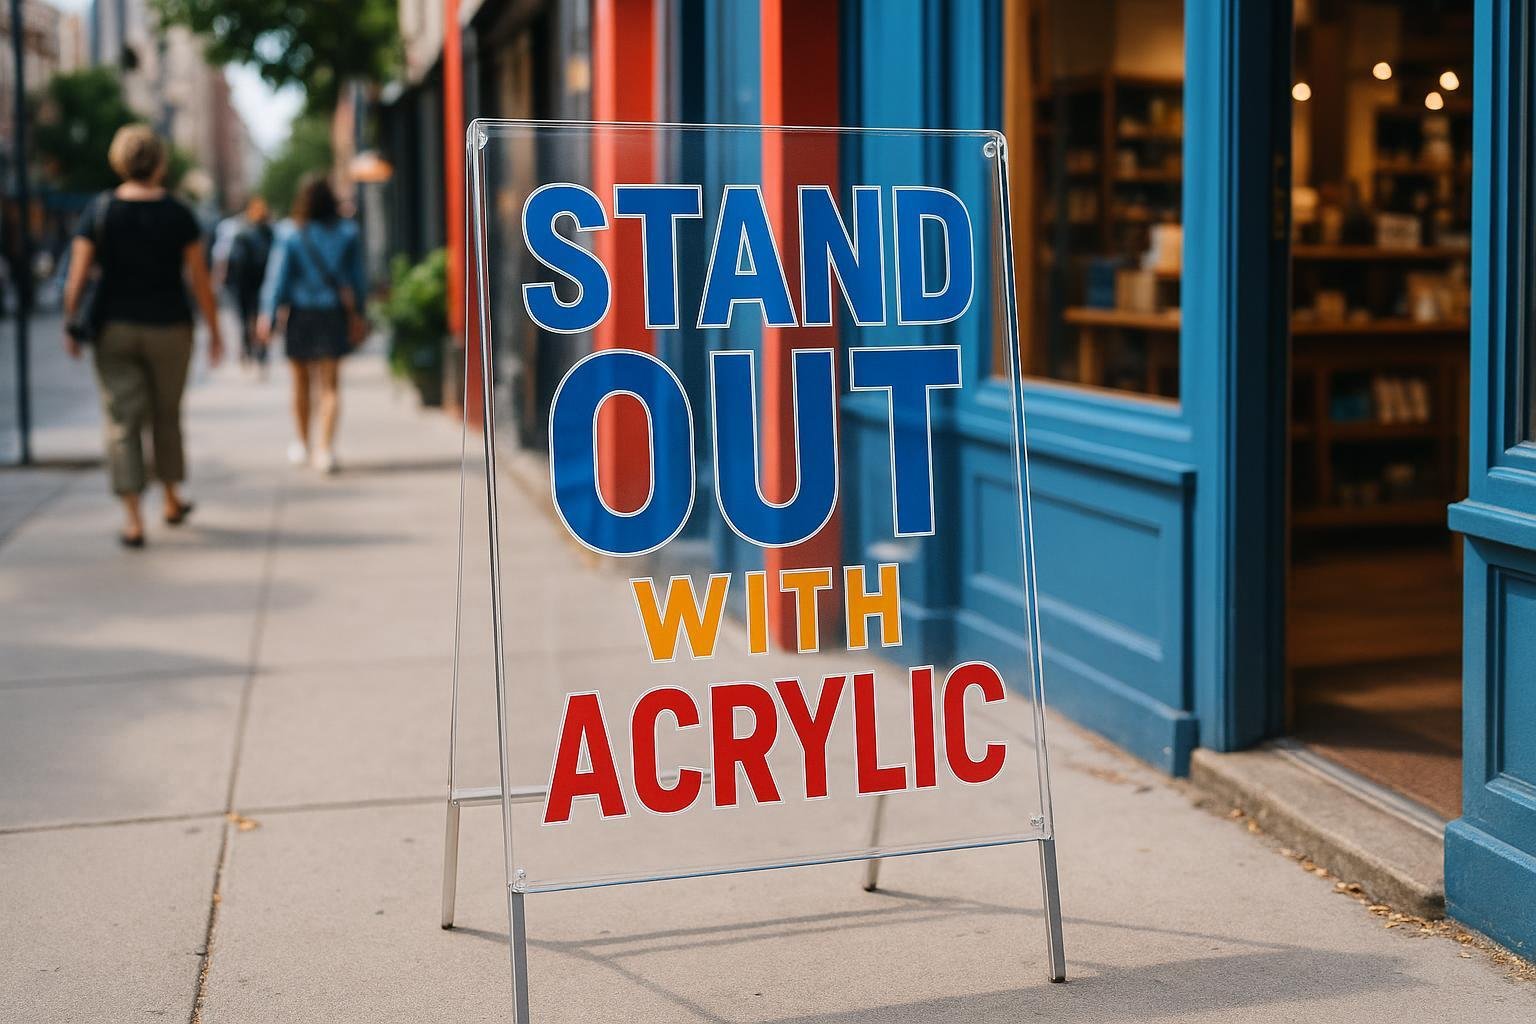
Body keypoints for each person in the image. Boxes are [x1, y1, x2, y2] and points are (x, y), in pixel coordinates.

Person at [62, 124, 224, 549]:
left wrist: (71, 322)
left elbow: (77, 277)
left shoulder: (99, 211)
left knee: (121, 419)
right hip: (170, 325)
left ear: (119, 161)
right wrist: (217, 329)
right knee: (166, 414)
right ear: (160, 161)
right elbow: (200, 279)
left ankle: (133, 519)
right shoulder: (178, 212)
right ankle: (171, 498)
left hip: (114, 328)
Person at [257, 174, 366, 474]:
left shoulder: (290, 233)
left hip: (300, 314)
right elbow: (358, 279)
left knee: (301, 384)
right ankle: (325, 450)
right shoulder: (347, 233)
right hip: (332, 313)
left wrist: (267, 313)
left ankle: (303, 444)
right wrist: (360, 312)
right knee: (330, 385)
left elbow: (277, 278)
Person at [223, 197, 274, 372]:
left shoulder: (244, 232)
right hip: (258, 282)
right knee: (259, 317)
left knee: (248, 319)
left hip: (247, 283)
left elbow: (234, 261)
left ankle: (252, 350)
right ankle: (258, 351)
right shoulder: (266, 232)